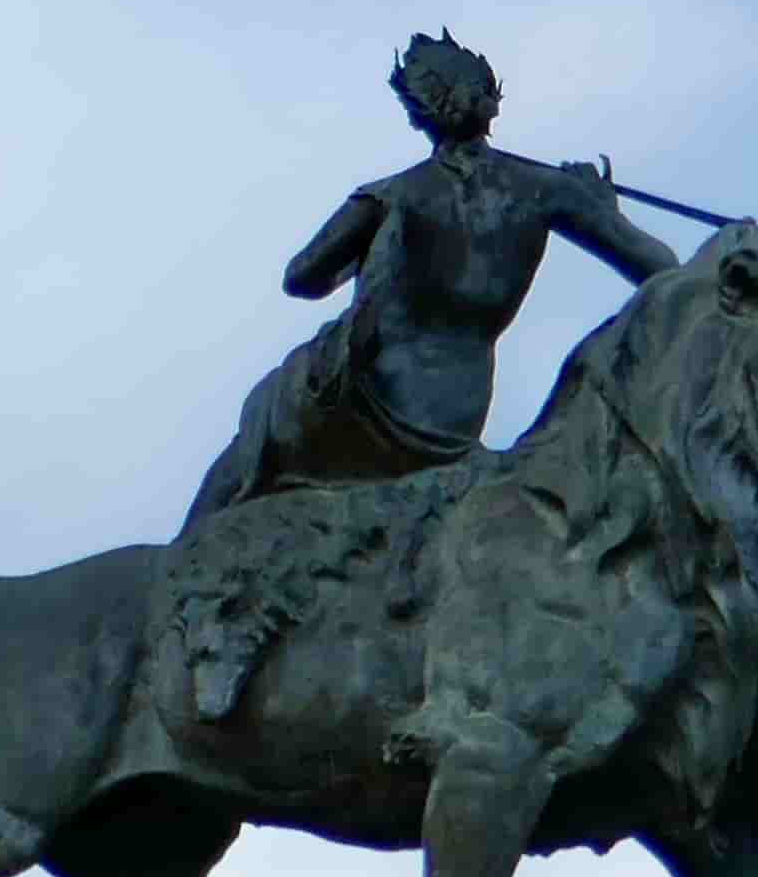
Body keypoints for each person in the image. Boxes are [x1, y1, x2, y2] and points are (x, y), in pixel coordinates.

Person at [184, 33, 681, 531]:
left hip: (350, 405)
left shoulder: (393, 195)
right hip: (454, 419)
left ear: (419, 113)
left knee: (248, 455)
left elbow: (303, 278)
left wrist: (369, 249)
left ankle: (189, 551)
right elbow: (659, 266)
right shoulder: (544, 191)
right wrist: (599, 209)